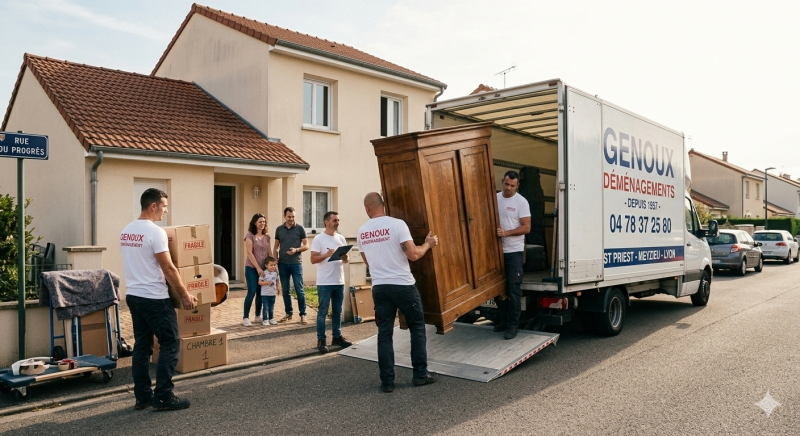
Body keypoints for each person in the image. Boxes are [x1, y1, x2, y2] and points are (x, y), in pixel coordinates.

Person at [120, 188, 197, 411]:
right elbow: (169, 268)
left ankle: (142, 397)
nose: (165, 210)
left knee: (142, 347)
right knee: (170, 343)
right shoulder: (156, 232)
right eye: (164, 206)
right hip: (154, 298)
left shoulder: (126, 231)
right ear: (153, 206)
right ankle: (163, 396)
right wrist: (184, 295)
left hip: (134, 296)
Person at [357, 192, 438, 393]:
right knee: (417, 327)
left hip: (380, 287)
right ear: (382, 205)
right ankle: (420, 374)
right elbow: (413, 254)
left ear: (367, 209)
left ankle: (387, 382)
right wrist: (429, 243)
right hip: (403, 285)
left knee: (384, 334)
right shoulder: (397, 224)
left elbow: (368, 262)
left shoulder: (362, 231)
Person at [494, 171, 531, 340]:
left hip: (513, 253)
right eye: (506, 184)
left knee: (513, 289)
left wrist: (506, 233)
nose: (509, 188)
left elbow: (526, 228)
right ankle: (502, 320)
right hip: (495, 252)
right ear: (502, 181)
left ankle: (513, 326)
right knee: (495, 289)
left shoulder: (521, 202)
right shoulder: (495, 198)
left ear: (517, 186)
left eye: (512, 185)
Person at [310, 211, 353, 354]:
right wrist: (326, 255)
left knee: (337, 311)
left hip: (339, 280)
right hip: (325, 282)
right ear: (326, 222)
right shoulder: (319, 239)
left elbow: (346, 260)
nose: (337, 222)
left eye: (338, 220)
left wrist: (345, 257)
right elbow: (313, 259)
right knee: (322, 312)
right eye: (334, 220)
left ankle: (337, 337)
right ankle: (321, 340)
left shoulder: (341, 238)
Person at [273, 207, 309, 324]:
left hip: (296, 264)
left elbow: (306, 245)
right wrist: (275, 260)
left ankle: (303, 314)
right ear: (284, 216)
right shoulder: (279, 229)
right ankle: (289, 313)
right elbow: (275, 247)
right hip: (283, 264)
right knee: (286, 290)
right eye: (289, 217)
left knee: (299, 290)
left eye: (293, 216)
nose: (291, 219)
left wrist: (296, 250)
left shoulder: (300, 228)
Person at [243, 213, 271, 326]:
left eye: (264, 222)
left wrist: (272, 267)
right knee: (252, 291)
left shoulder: (267, 237)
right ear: (255, 223)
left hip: (264, 269)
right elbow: (249, 253)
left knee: (261, 292)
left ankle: (258, 315)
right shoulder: (250, 235)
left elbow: (269, 253)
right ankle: (245, 317)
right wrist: (258, 268)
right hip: (251, 267)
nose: (262, 224)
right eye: (260, 222)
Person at [258, 256, 280, 326]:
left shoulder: (275, 273)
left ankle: (271, 319)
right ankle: (265, 320)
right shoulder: (263, 273)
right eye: (271, 265)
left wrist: (278, 288)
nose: (273, 267)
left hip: (272, 294)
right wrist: (266, 283)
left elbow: (277, 280)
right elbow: (259, 282)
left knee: (271, 308)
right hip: (265, 294)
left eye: (274, 265)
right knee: (266, 307)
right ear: (266, 265)